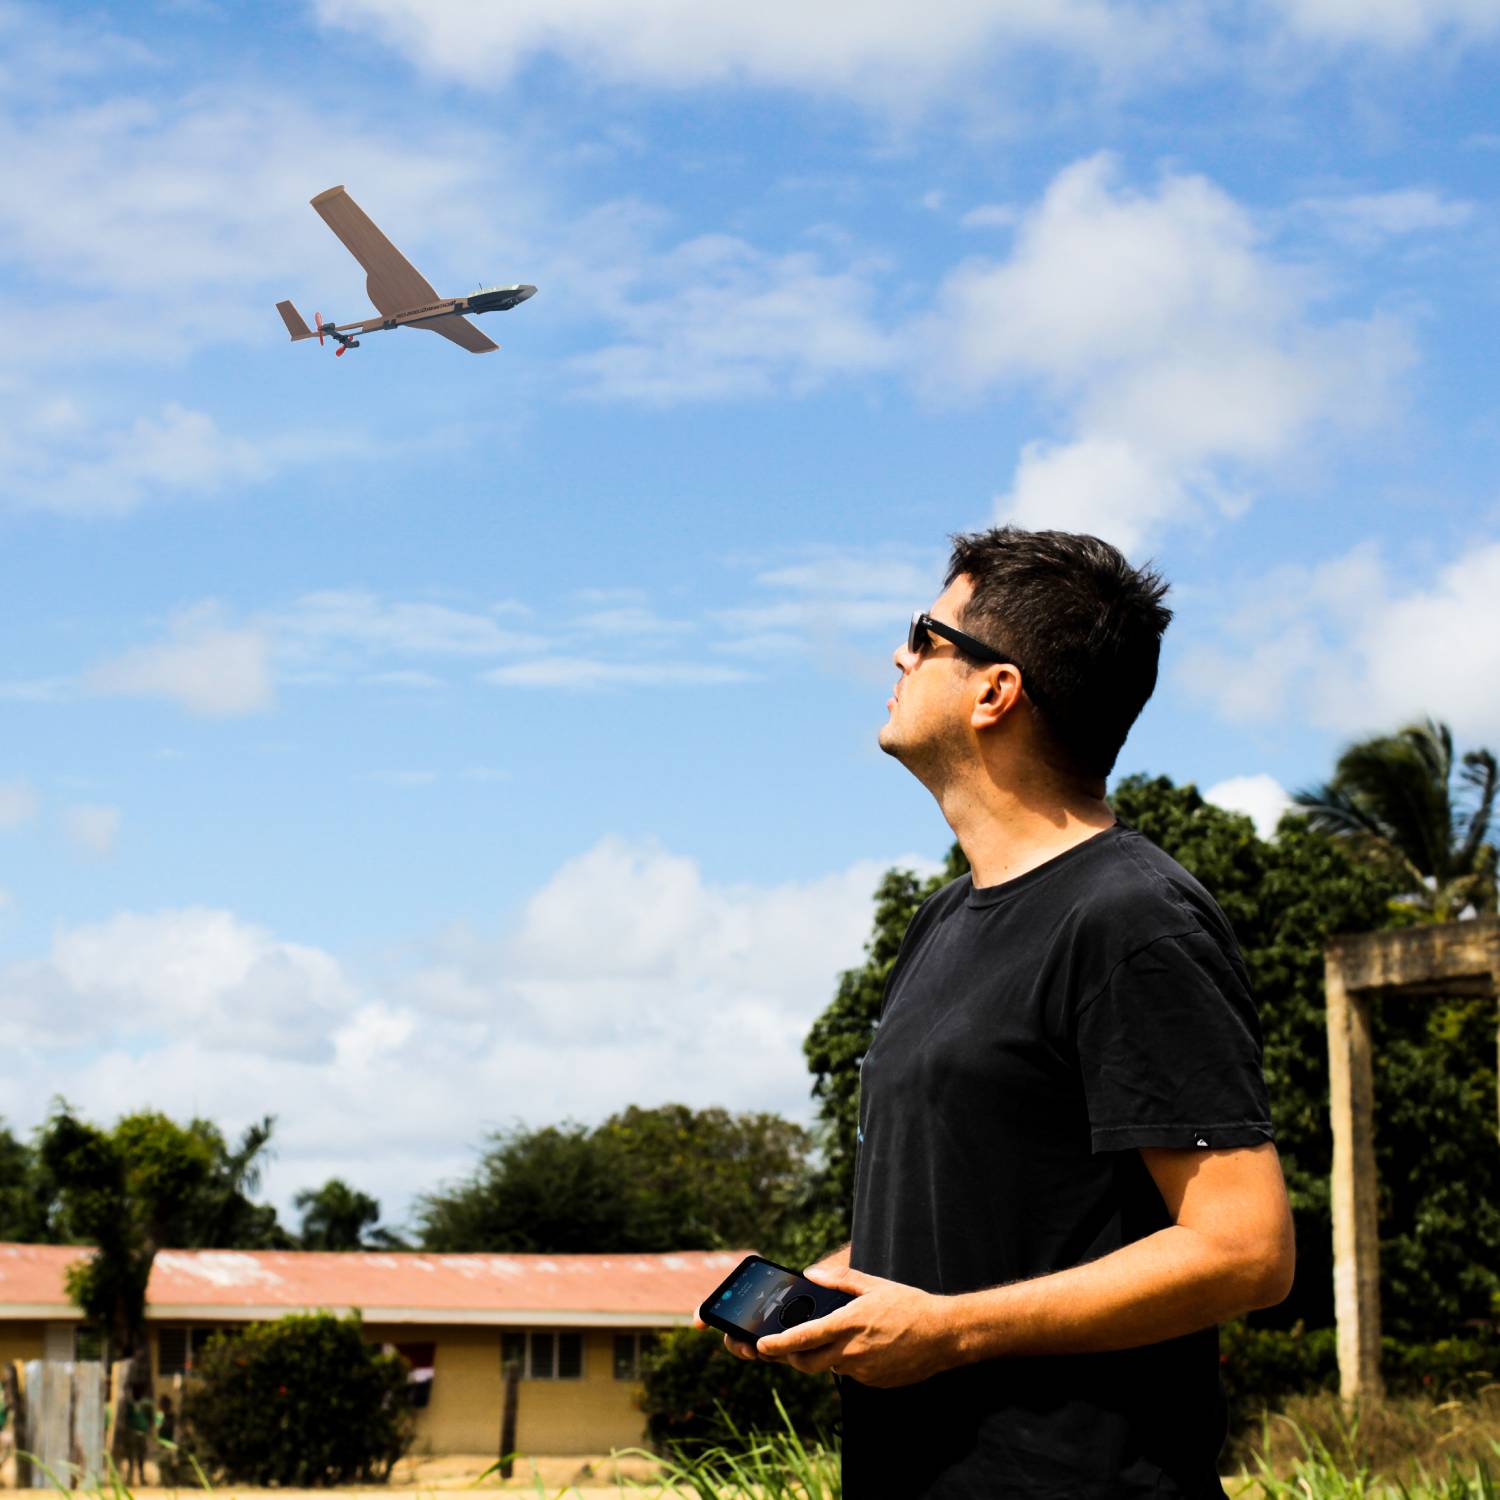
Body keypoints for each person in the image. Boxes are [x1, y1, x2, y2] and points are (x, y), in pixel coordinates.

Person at [717, 527, 1295, 1497]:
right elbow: (997, 1211)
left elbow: (1245, 1251)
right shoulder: (943, 919)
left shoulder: (1131, 919)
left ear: (996, 691)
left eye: (925, 633)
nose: (900, 655)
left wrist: (951, 1331)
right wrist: (847, 1289)